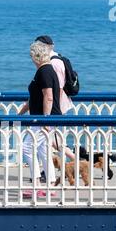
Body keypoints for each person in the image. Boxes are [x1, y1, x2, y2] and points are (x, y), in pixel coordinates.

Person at [19, 40, 61, 198]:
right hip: (46, 118)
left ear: (35, 56)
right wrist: (21, 113)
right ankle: (50, 185)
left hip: (43, 119)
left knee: (27, 148)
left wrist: (45, 120)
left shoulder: (44, 72)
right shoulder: (47, 70)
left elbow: (48, 98)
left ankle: (36, 185)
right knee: (43, 151)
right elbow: (35, 97)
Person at [34, 35, 76, 183]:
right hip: (55, 105)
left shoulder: (54, 63)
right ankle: (54, 169)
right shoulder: (55, 59)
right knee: (50, 140)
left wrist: (50, 111)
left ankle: (73, 162)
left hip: (55, 107)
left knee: (49, 140)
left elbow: (54, 89)